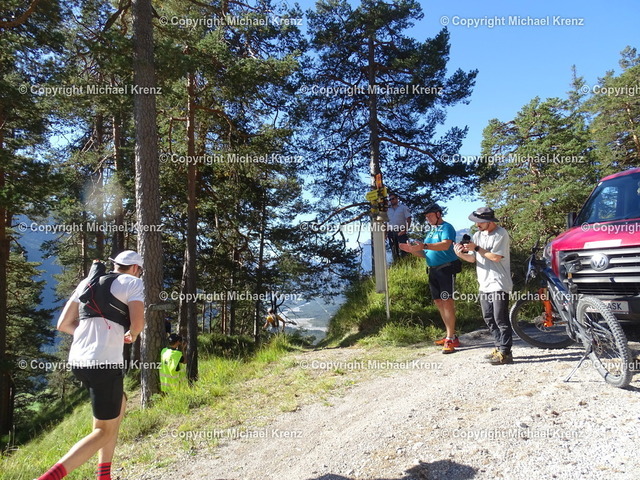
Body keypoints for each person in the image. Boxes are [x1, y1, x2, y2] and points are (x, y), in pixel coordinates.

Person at [37, 250, 145, 480]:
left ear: (115, 265)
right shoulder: (133, 282)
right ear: (136, 268)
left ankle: (104, 475)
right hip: (104, 363)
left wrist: (91, 336)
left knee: (118, 405)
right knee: (103, 431)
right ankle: (47, 478)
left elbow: (63, 324)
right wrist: (132, 335)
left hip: (78, 360)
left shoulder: (88, 282)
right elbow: (137, 323)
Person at [454, 207, 514, 365]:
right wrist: (460, 254)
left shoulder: (501, 233)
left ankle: (506, 352)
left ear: (489, 221)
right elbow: (473, 258)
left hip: (499, 282)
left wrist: (476, 248)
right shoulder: (477, 235)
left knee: (500, 318)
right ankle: (498, 347)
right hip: (484, 283)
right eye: (475, 222)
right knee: (489, 318)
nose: (477, 225)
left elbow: (495, 257)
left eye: (480, 222)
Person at [400, 203, 461, 353]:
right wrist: (412, 250)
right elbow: (424, 253)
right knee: (439, 302)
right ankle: (450, 335)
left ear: (438, 214)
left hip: (446, 268)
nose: (428, 218)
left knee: (447, 302)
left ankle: (450, 338)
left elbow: (445, 245)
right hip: (433, 270)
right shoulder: (431, 231)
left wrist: (424, 246)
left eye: (430, 215)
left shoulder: (446, 227)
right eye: (426, 216)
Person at [386, 193, 412, 262]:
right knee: (394, 250)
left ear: (397, 199)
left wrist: (405, 230)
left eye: (393, 198)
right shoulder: (388, 210)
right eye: (390, 199)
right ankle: (397, 264)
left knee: (405, 250)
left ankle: (407, 263)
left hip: (401, 230)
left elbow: (409, 219)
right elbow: (386, 222)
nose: (391, 200)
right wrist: (386, 233)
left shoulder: (403, 207)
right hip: (391, 232)